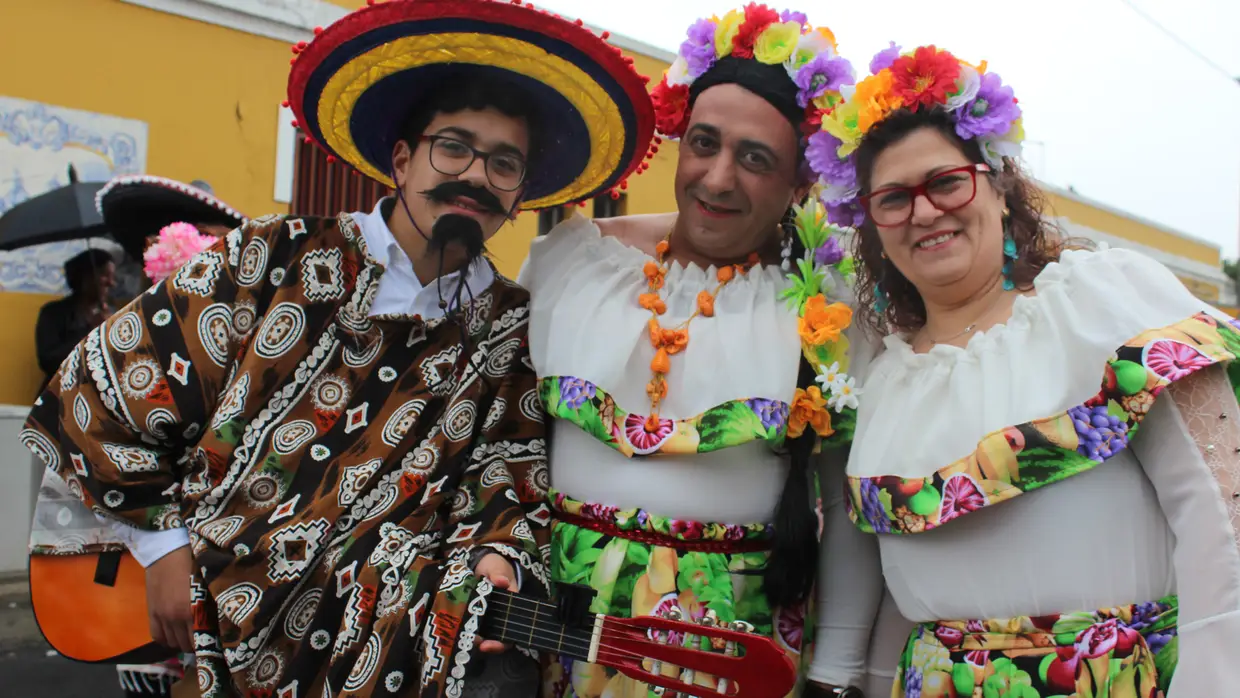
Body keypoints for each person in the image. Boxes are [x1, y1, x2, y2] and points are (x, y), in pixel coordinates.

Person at [19, 1, 654, 696]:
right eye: (454, 146)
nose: (476, 175)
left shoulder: (507, 329)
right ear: (404, 160)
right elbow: (103, 384)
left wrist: (497, 556)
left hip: (374, 652)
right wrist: (162, 549)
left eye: (504, 163)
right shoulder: (272, 259)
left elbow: (504, 478)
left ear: (519, 195)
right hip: (199, 620)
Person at [816, 44, 1240, 695]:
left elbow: (1221, 515)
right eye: (893, 199)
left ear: (999, 187)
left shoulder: (1102, 304)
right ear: (871, 228)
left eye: (946, 182)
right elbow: (903, 605)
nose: (925, 211)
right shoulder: (883, 382)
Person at [520, 6, 880, 697]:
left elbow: (846, 510)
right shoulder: (574, 262)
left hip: (729, 661)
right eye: (704, 144)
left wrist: (834, 676)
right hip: (553, 635)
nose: (717, 179)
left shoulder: (828, 310)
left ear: (799, 183)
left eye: (755, 159)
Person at [34, 248, 116, 393]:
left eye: (112, 276)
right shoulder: (54, 313)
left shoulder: (111, 315)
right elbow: (48, 361)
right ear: (86, 277)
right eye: (105, 275)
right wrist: (90, 330)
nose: (111, 283)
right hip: (60, 397)